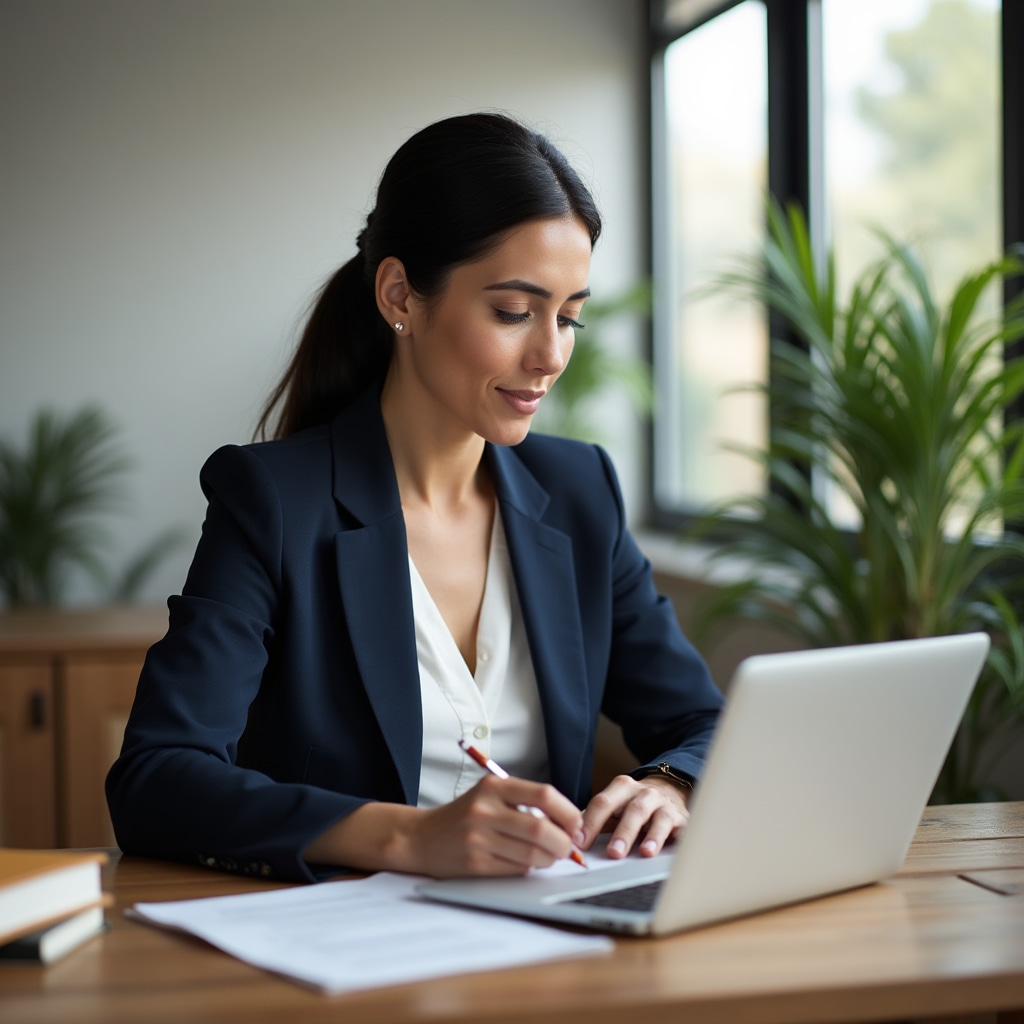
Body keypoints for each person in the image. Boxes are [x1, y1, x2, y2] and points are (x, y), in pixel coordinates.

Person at [105, 112, 723, 884]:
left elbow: (703, 719)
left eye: (569, 318)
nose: (550, 354)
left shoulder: (579, 492)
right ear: (400, 293)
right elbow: (156, 778)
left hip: (555, 947)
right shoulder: (273, 501)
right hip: (340, 959)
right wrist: (405, 838)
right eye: (513, 312)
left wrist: (671, 784)